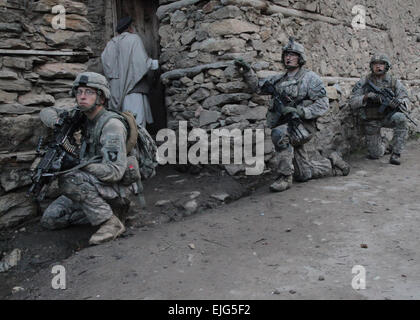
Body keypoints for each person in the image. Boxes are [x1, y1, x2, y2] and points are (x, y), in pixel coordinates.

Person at [235, 38, 350, 192]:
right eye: (286, 55)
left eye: (293, 55)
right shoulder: (278, 79)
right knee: (304, 174)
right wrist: (247, 71)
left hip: (303, 126)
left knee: (279, 134)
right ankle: (332, 163)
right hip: (287, 124)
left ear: (300, 58)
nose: (288, 58)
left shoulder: (310, 78)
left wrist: (301, 111)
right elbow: (258, 87)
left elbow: (323, 104)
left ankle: (284, 177)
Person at [39, 72, 137, 245]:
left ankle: (110, 223)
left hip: (115, 185)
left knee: (69, 179)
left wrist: (78, 164)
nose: (82, 97)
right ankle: (111, 211)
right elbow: (46, 112)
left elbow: (114, 172)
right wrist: (57, 122)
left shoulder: (111, 126)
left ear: (101, 97)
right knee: (51, 219)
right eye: (79, 92)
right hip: (94, 184)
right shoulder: (83, 116)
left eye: (89, 92)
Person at [349, 53, 410, 165]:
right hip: (371, 119)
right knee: (375, 154)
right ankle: (386, 145)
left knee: (401, 118)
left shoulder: (394, 82)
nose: (378, 66)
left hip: (388, 116)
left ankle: (396, 154)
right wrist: (366, 97)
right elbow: (352, 102)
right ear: (371, 66)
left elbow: (405, 99)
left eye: (381, 64)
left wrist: (397, 102)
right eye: (375, 64)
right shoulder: (364, 82)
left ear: (386, 66)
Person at [101, 16, 159, 128]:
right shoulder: (134, 39)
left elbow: (107, 68)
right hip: (133, 90)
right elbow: (141, 63)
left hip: (116, 93)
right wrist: (156, 64)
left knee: (122, 124)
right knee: (136, 125)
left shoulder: (110, 44)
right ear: (130, 28)